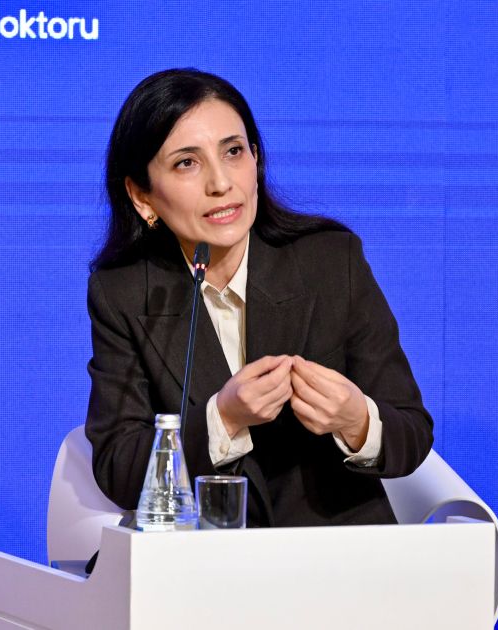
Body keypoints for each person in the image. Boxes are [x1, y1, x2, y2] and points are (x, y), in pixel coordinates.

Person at [85, 69, 433, 527]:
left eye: (233, 151)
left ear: (256, 158)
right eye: (187, 163)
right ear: (141, 196)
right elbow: (121, 469)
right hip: (203, 558)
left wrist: (356, 420)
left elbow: (412, 434)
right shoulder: (125, 292)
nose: (220, 183)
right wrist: (223, 418)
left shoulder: (330, 262)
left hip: (334, 555)